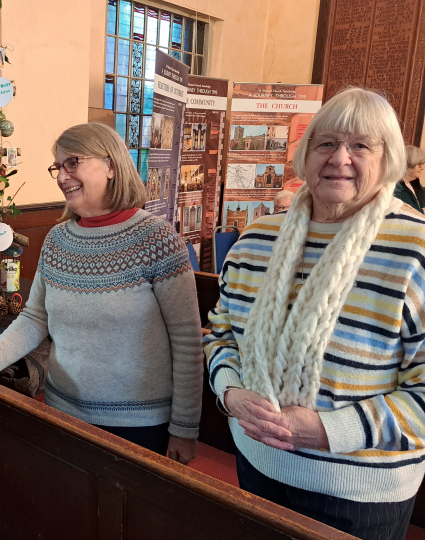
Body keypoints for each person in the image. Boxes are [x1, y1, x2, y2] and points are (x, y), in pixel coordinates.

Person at [203, 88, 425, 540]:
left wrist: (329, 430)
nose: (340, 158)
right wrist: (230, 393)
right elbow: (220, 334)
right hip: (258, 466)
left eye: (361, 145)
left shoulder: (414, 251)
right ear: (306, 154)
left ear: (389, 159)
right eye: (326, 143)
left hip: (359, 497)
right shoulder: (256, 240)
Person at [0, 122, 203, 464]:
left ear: (111, 165)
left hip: (137, 424)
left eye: (73, 162)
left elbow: (187, 339)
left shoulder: (156, 239)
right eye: (58, 166)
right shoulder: (57, 240)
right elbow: (35, 319)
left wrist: (185, 426)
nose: (63, 176)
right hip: (63, 411)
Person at [392, 144, 425, 213]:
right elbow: (398, 213)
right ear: (407, 165)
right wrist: (423, 211)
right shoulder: (395, 189)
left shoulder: (415, 184)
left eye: (422, 164)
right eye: (419, 165)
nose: (422, 168)